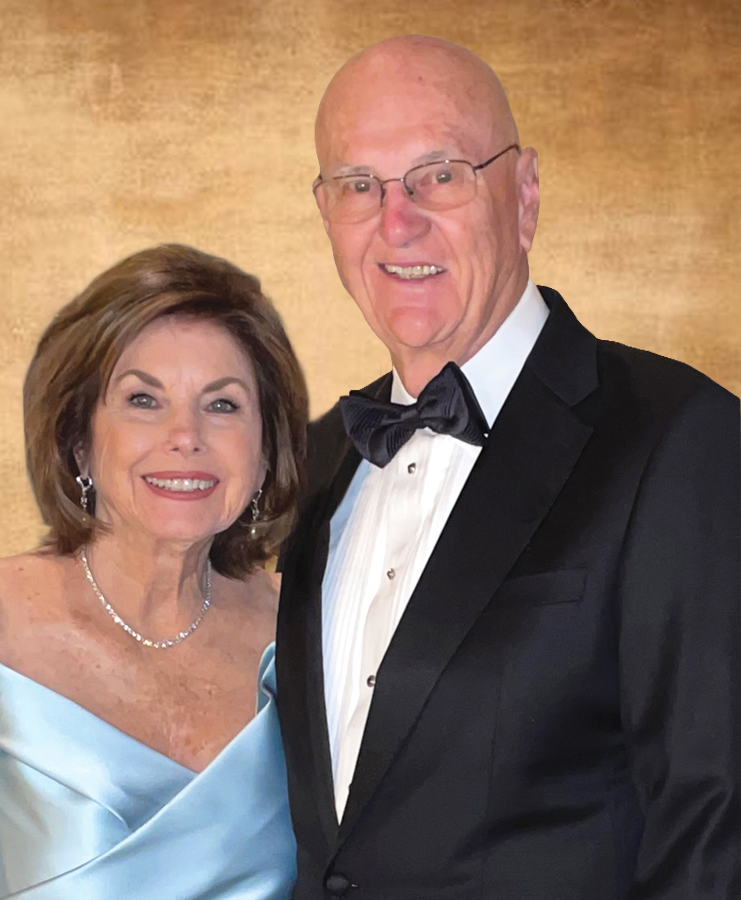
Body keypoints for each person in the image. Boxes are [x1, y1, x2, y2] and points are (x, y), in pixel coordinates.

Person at [275, 34, 740, 898]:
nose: (397, 220)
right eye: (359, 186)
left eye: (440, 173)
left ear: (523, 196)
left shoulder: (681, 438)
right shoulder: (311, 463)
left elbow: (718, 829)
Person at [0, 244, 308, 899]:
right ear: (78, 440)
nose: (186, 435)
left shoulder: (307, 633)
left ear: (265, 454)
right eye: (144, 400)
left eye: (223, 404)